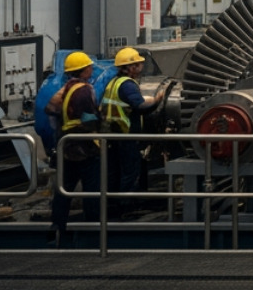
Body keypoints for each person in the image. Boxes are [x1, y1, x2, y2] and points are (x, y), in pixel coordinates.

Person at [100, 47, 170, 217]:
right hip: (126, 135)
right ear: (130, 67)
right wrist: (158, 99)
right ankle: (127, 207)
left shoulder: (113, 83)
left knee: (114, 172)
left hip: (113, 135)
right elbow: (141, 107)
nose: (141, 68)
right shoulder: (127, 85)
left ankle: (113, 206)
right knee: (130, 171)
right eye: (138, 65)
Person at [45, 52, 100, 244]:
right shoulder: (85, 90)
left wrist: (60, 135)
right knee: (92, 189)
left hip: (66, 146)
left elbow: (50, 111)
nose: (92, 69)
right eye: (89, 67)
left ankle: (57, 226)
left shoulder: (65, 88)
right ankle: (93, 230)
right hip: (84, 148)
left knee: (64, 188)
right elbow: (90, 118)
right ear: (83, 71)